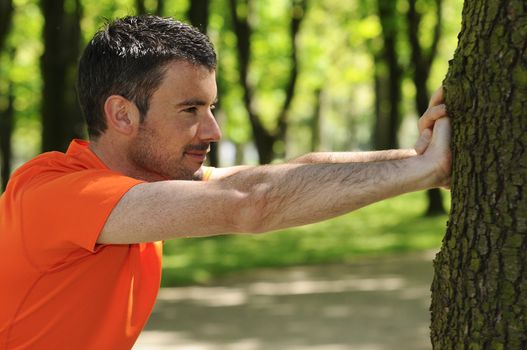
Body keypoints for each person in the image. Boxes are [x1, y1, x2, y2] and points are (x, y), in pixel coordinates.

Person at [0, 15, 451, 350]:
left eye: (211, 108)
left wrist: (417, 159)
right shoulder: (51, 192)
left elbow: (288, 174)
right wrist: (422, 170)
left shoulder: (149, 184)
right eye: (190, 110)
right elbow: (246, 202)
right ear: (121, 114)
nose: (213, 131)